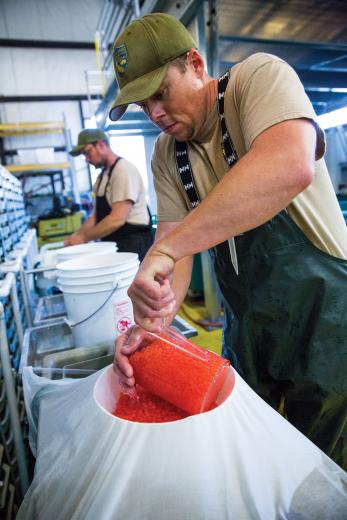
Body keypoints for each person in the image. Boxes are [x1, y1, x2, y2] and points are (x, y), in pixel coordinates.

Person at [111, 13, 347, 469]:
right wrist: (153, 322)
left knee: (325, 467)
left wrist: (168, 249)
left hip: (326, 322)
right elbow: (173, 257)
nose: (154, 113)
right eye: (143, 105)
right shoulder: (166, 153)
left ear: (196, 65)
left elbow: (289, 164)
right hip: (248, 327)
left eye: (160, 93)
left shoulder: (258, 79)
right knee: (254, 454)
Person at [66, 128, 153, 261]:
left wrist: (84, 238)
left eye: (87, 153)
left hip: (134, 245)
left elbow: (116, 219)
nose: (86, 159)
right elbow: (95, 217)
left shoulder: (123, 171)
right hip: (116, 245)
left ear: (101, 145)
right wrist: (76, 237)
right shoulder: (101, 178)